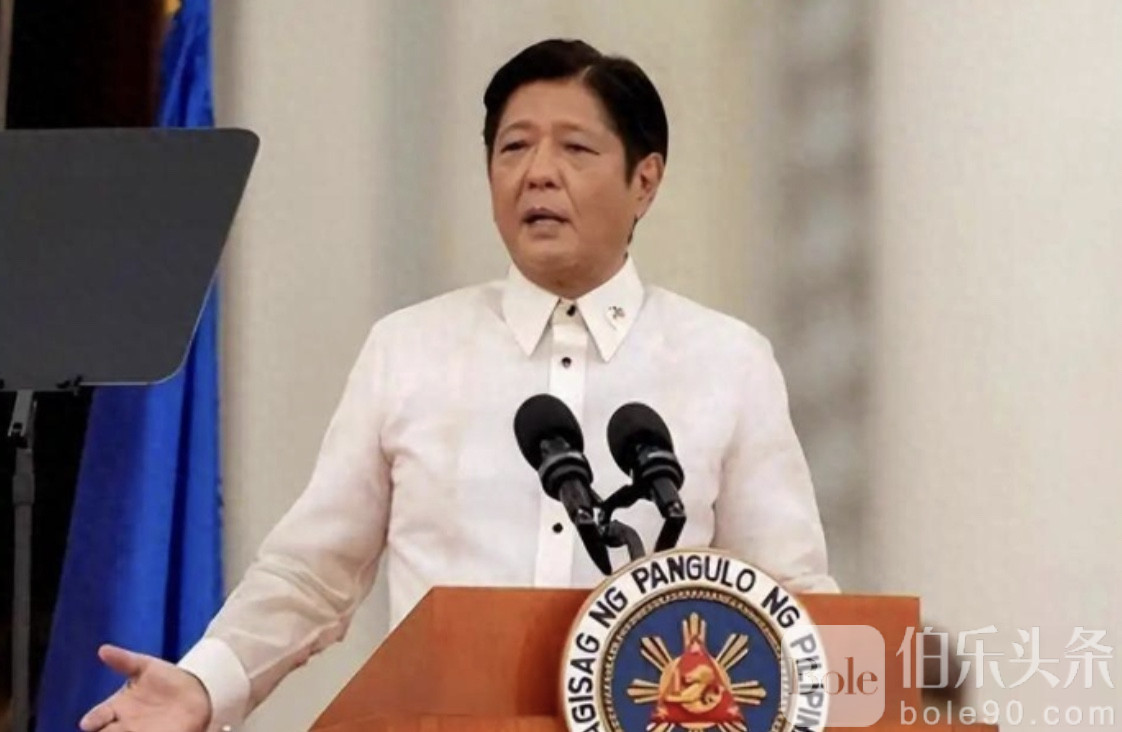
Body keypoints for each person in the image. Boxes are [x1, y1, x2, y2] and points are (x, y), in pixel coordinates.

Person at [79, 38, 838, 732]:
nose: (538, 172)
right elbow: (312, 572)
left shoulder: (727, 361)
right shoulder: (410, 350)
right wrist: (204, 685)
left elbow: (792, 596)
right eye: (514, 147)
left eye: (575, 148)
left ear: (645, 181)